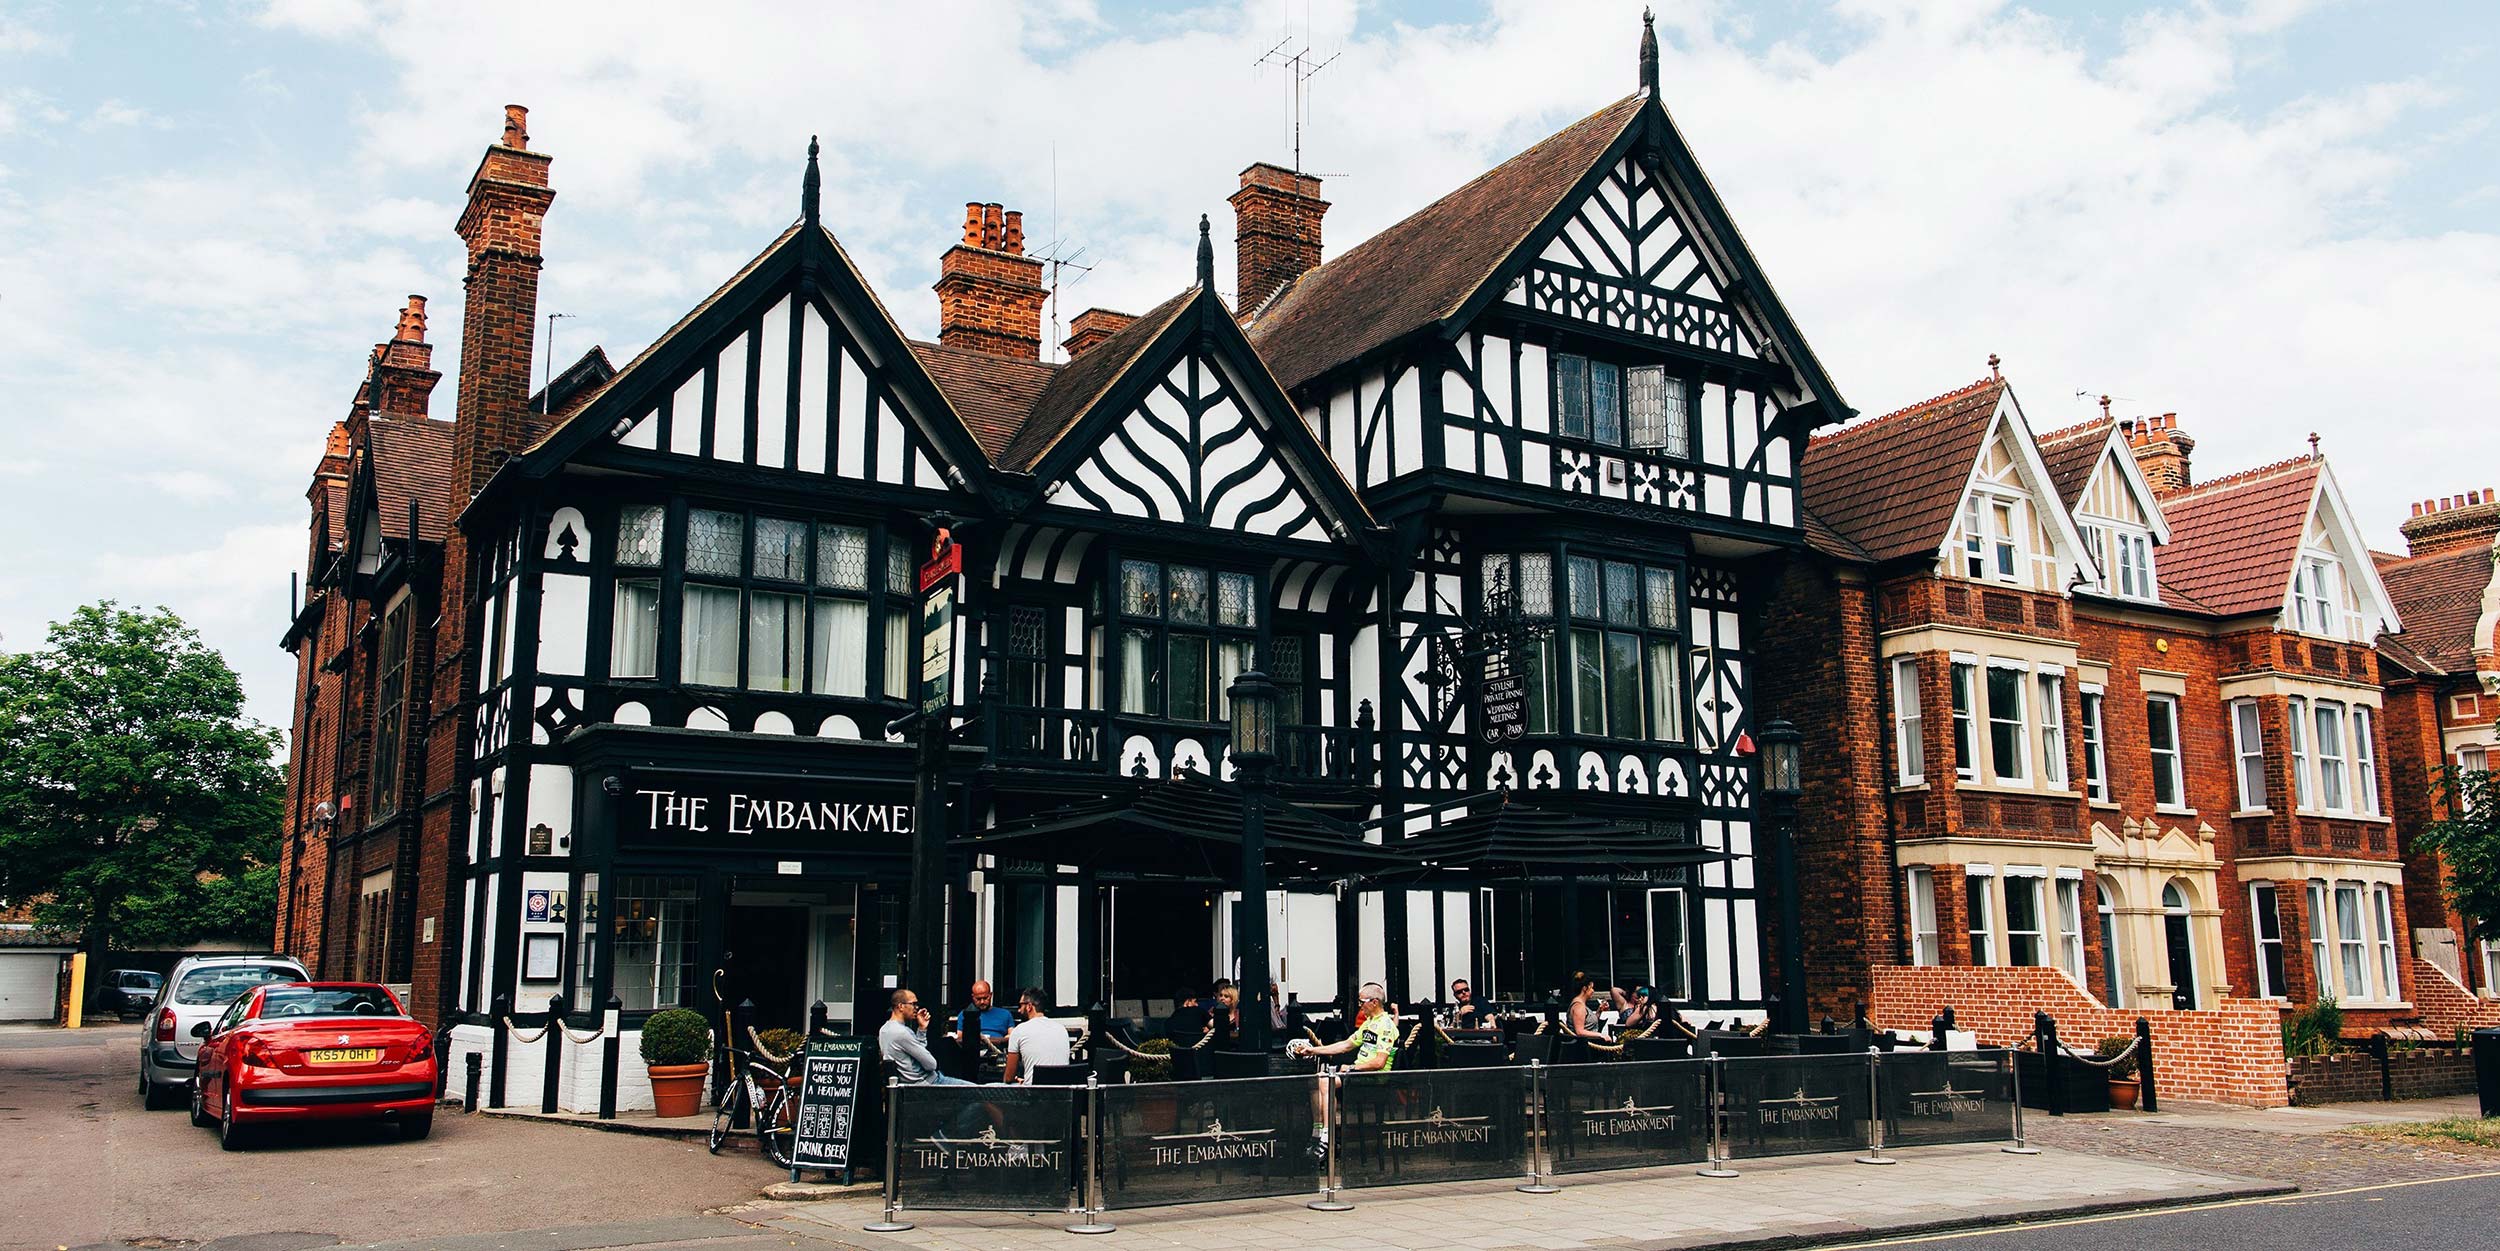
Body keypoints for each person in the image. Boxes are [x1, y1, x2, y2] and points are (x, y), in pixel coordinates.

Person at [1290, 982, 1398, 1159]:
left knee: (1326, 1081)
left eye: (1362, 1001)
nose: (1359, 1005)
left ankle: (1327, 1136)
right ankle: (1317, 1132)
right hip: (1359, 1073)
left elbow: (1379, 1062)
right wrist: (1313, 1050)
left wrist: (1353, 1067)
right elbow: (1345, 1045)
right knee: (1315, 1080)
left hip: (1374, 1078)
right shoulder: (1370, 1023)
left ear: (1375, 1002)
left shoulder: (1385, 1026)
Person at [878, 988, 972, 1086]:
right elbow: (931, 1064)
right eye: (913, 1004)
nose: (916, 1008)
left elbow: (919, 1052)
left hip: (910, 1084)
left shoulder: (884, 1030)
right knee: (979, 1092)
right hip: (927, 1084)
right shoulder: (902, 1032)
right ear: (901, 1006)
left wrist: (922, 1029)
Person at [1000, 987, 1070, 1084]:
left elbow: (1008, 1078)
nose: (1019, 1010)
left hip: (1034, 1094)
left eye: (1021, 1005)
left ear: (1029, 1006)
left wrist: (1016, 1079)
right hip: (1062, 1092)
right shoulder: (1062, 1029)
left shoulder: (1019, 1031)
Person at [951, 979, 1013, 1049]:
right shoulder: (965, 1015)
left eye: (985, 998)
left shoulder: (1005, 1014)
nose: (982, 1002)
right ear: (973, 997)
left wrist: (1001, 1040)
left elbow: (1012, 1036)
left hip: (999, 1052)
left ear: (991, 995)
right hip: (973, 1051)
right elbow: (960, 1039)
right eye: (978, 999)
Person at [1562, 973, 1610, 1041]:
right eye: (1591, 988)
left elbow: (1588, 1024)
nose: (1593, 991)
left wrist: (1599, 1011)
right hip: (1584, 1047)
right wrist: (1601, 1035)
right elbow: (1579, 1031)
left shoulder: (1581, 1005)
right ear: (1585, 988)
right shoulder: (1578, 1006)